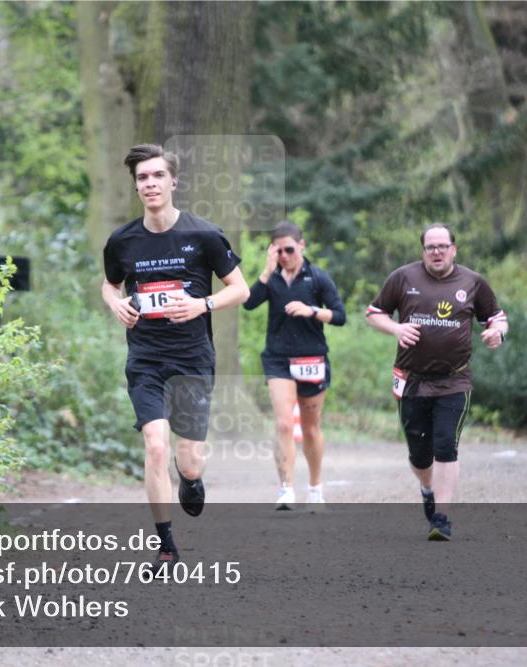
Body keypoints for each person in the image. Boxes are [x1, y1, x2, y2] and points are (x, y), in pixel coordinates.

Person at [102, 143, 249, 571]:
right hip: (146, 358)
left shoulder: (203, 235)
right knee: (155, 446)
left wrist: (203, 305)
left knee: (189, 459)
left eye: (157, 176)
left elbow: (240, 289)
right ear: (136, 186)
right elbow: (110, 284)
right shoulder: (123, 241)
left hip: (192, 358)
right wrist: (116, 304)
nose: (150, 183)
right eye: (142, 178)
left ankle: (191, 479)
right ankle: (166, 546)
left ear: (173, 182)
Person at [365, 223, 507, 540]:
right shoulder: (403, 278)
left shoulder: (472, 282)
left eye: (443, 246)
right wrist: (396, 329)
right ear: (423, 251)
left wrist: (498, 332)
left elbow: (497, 317)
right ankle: (427, 488)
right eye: (431, 247)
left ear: (454, 249)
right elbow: (374, 313)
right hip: (412, 379)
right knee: (419, 454)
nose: (437, 252)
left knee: (445, 445)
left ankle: (441, 518)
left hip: (454, 380)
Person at [243, 221, 346, 510]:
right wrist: (266, 271)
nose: (284, 256)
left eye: (289, 249)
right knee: (283, 423)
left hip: (312, 358)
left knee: (311, 429)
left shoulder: (317, 277)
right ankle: (286, 488)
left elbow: (340, 316)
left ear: (302, 245)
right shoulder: (271, 279)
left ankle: (315, 487)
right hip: (278, 359)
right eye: (278, 251)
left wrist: (311, 310)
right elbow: (249, 303)